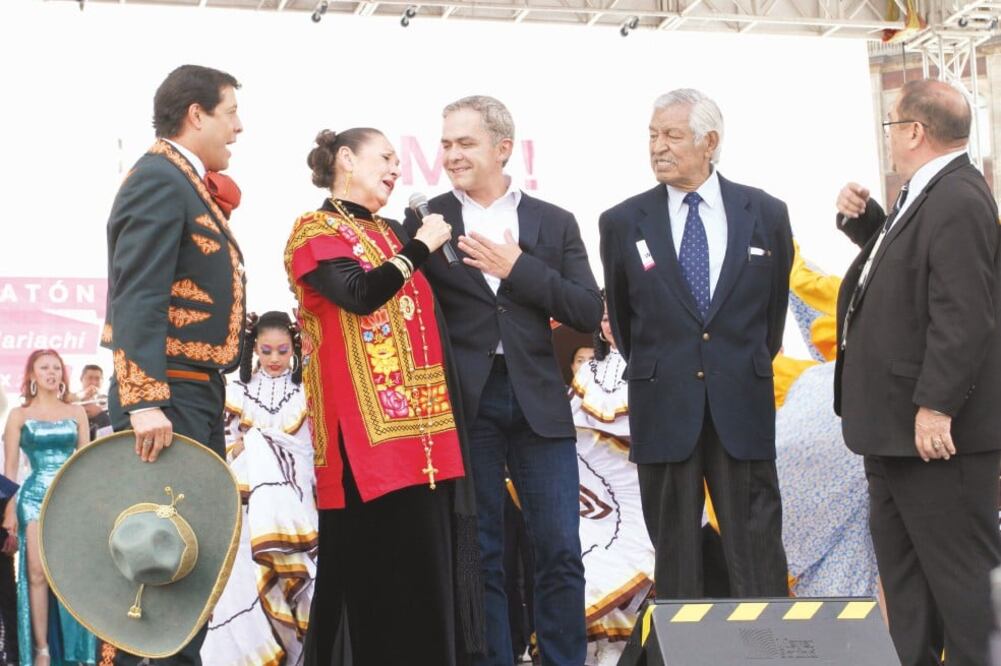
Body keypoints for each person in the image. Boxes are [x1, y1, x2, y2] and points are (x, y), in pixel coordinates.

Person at [403, 95, 602, 666]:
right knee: (482, 550)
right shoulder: (426, 219)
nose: (452, 154)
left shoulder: (552, 221)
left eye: (465, 143)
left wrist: (519, 269)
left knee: (560, 547)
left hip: (538, 399)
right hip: (465, 403)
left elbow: (588, 309)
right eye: (445, 143)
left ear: (502, 148)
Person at [285, 128, 482, 666]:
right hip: (363, 439)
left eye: (399, 161)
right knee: (378, 575)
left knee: (426, 570)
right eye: (386, 157)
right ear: (346, 159)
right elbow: (358, 294)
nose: (397, 168)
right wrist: (421, 247)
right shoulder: (316, 228)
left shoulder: (394, 231)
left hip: (425, 433)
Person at [599, 88, 793, 600]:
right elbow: (624, 321)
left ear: (710, 142)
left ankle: (767, 657)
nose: (658, 146)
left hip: (742, 406)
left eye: (672, 135)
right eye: (653, 134)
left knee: (757, 550)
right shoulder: (621, 222)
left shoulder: (766, 213)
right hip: (664, 406)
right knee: (676, 558)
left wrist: (732, 364)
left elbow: (770, 319)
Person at [834, 79, 1001, 666]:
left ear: (913, 131)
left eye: (890, 125)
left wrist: (937, 404)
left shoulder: (957, 197)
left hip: (934, 436)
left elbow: (965, 315)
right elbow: (909, 278)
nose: (888, 137)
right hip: (892, 432)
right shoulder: (925, 193)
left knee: (963, 588)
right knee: (909, 592)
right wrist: (868, 226)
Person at [101, 63, 246, 666]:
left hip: (191, 392)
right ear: (196, 114)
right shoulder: (161, 178)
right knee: (159, 560)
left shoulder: (184, 181)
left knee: (187, 560)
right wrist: (143, 401)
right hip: (167, 396)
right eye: (231, 112)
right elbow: (137, 293)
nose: (239, 127)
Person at [201, 311, 317, 666]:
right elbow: (226, 445)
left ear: (294, 349)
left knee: (298, 583)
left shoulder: (307, 389)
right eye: (266, 351)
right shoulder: (237, 391)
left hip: (297, 499)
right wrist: (255, 445)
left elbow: (309, 446)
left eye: (282, 351)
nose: (274, 359)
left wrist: (256, 443)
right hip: (247, 504)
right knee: (245, 582)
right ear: (254, 350)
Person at [564, 304, 654, 666]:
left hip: (638, 489)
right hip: (591, 495)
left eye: (615, 314)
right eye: (603, 317)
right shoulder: (588, 370)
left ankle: (622, 654)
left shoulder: (653, 364)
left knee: (633, 571)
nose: (609, 322)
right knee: (588, 570)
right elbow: (570, 420)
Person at [1, 349, 95, 666]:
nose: (52, 372)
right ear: (32, 375)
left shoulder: (77, 412)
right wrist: (9, 511)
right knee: (37, 574)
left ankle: (76, 652)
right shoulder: (19, 415)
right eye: (44, 367)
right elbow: (10, 469)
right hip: (34, 496)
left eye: (57, 367)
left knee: (71, 574)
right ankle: (42, 649)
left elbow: (86, 462)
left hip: (70, 498)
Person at [73, 365, 110, 440]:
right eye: (89, 378)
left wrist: (100, 413)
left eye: (97, 379)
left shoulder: (109, 401)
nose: (93, 382)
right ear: (81, 379)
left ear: (102, 380)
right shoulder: (72, 400)